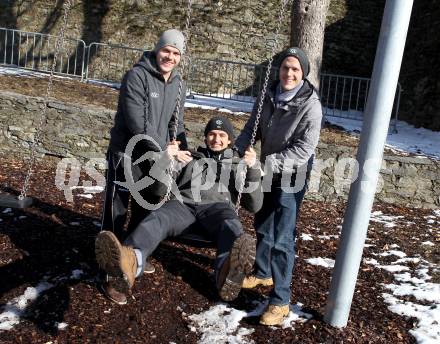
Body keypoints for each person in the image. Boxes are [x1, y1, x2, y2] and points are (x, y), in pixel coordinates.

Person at [95, 116, 263, 305]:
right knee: (157, 217)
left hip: (218, 209)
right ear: (206, 137)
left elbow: (254, 205)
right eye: (212, 134)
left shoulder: (238, 165)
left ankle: (227, 272)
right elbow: (158, 189)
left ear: (230, 139)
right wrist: (166, 159)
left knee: (231, 226)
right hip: (183, 205)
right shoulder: (188, 158)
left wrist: (254, 168)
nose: (216, 139)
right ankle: (129, 263)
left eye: (222, 135)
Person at [234, 47, 323, 326]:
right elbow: (253, 128)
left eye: (295, 69)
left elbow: (304, 149)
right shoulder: (268, 94)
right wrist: (237, 149)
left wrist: (266, 164)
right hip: (267, 166)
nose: (289, 73)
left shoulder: (310, 104)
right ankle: (263, 272)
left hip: (292, 173)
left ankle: (281, 301)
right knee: (262, 219)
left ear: (303, 73)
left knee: (283, 235)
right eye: (286, 67)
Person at [100, 29, 192, 253]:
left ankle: (131, 254)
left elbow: (176, 122)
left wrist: (182, 147)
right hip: (126, 153)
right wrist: (165, 149)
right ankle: (106, 258)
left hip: (154, 159)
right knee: (116, 210)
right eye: (166, 51)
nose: (170, 57)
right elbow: (137, 123)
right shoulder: (136, 76)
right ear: (157, 49)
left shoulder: (178, 84)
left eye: (176, 53)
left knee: (146, 207)